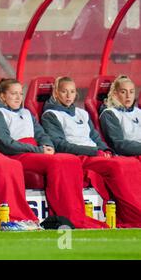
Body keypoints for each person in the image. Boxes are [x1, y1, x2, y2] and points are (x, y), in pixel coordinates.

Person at [0, 78, 107, 229]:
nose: (18, 97)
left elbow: (41, 134)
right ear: (3, 96)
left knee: (70, 160)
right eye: (13, 94)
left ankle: (74, 214)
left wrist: (47, 145)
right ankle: (67, 214)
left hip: (35, 152)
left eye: (20, 93)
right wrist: (39, 150)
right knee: (58, 161)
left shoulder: (27, 112)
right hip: (17, 154)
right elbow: (6, 144)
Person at [41, 76, 141, 228]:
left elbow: (95, 137)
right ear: (56, 93)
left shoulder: (82, 113)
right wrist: (94, 151)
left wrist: (104, 150)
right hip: (78, 157)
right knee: (117, 166)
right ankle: (134, 216)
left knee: (128, 163)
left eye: (72, 92)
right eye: (64, 92)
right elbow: (60, 145)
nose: (69, 96)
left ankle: (132, 213)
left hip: (94, 154)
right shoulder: (50, 115)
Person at [100, 75, 141, 159]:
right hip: (128, 157)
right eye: (123, 92)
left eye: (131, 92)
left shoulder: (138, 112)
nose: (128, 96)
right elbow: (118, 144)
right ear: (115, 94)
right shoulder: (109, 114)